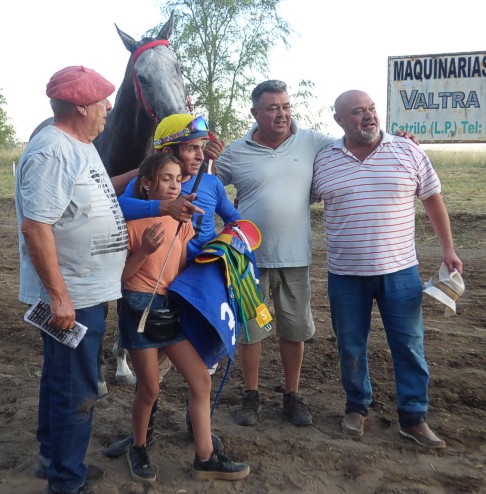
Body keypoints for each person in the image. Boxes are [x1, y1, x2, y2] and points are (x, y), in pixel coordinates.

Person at [311, 89, 463, 448]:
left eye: (371, 108)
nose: (368, 116)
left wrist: (448, 249)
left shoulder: (408, 150)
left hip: (400, 271)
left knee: (409, 345)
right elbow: (297, 199)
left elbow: (432, 200)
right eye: (357, 111)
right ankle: (356, 406)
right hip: (345, 274)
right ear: (339, 120)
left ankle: (413, 416)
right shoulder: (324, 160)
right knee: (350, 345)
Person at [15, 65, 129, 494]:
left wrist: (137, 175)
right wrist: (59, 296)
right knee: (75, 386)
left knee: (62, 377)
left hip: (84, 290)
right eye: (102, 102)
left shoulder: (80, 145)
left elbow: (90, 193)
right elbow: (36, 227)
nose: (108, 108)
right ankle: (66, 480)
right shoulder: (52, 152)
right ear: (80, 107)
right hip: (73, 297)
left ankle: (53, 459)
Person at [118, 152, 250, 483]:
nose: (174, 185)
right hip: (139, 310)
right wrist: (144, 251)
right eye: (166, 179)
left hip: (169, 308)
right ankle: (138, 447)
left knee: (200, 380)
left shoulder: (181, 223)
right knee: (149, 389)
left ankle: (205, 457)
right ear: (146, 184)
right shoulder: (131, 224)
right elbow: (120, 278)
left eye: (178, 180)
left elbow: (178, 267)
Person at [214, 80, 335, 427]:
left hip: (295, 257)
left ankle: (292, 395)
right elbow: (205, 181)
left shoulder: (312, 141)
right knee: (251, 330)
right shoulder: (236, 151)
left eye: (286, 106)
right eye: (272, 108)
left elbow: (353, 146)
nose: (282, 114)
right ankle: (250, 394)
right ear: (255, 113)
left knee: (293, 329)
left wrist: (398, 141)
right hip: (249, 260)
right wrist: (204, 155)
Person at [118, 113, 241, 262]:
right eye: (192, 149)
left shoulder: (212, 183)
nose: (201, 156)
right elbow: (118, 209)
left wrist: (221, 249)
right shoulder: (147, 183)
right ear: (167, 152)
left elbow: (234, 220)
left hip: (202, 268)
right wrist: (165, 207)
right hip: (157, 271)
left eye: (201, 148)